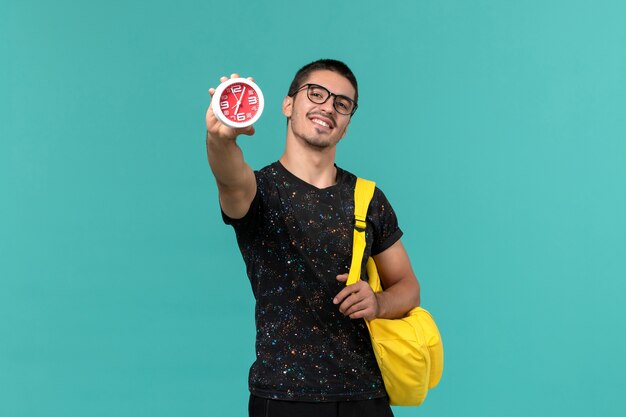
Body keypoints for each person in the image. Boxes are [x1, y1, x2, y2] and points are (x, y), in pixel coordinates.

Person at [205, 59, 421, 417]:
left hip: (366, 397)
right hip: (283, 398)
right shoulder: (260, 192)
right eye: (316, 94)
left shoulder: (368, 198)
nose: (328, 107)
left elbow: (408, 286)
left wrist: (379, 303)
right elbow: (229, 177)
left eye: (342, 103)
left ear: (347, 125)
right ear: (288, 105)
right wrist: (219, 138)